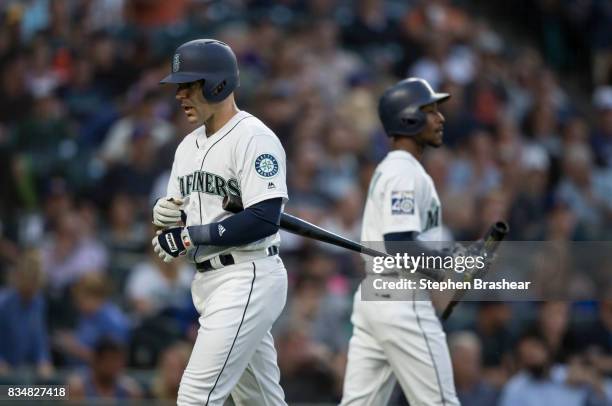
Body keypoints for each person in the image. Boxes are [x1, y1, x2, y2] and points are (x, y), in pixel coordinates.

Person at [151, 39, 289, 405]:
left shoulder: (254, 138)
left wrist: (190, 235)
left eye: (188, 84)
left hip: (247, 274)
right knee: (261, 400)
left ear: (217, 84)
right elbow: (181, 219)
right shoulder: (187, 147)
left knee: (195, 396)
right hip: (209, 280)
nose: (179, 94)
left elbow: (264, 218)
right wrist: (166, 216)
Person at [340, 77, 460, 405]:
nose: (441, 118)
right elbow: (400, 245)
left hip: (376, 297)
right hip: (401, 297)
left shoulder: (395, 169)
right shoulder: (403, 173)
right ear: (409, 118)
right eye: (431, 111)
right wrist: (451, 264)